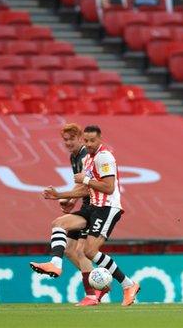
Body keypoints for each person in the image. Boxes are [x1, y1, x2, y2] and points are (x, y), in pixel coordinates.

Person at [31, 125, 141, 306]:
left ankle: (127, 285)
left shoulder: (104, 156)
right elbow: (84, 188)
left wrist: (86, 179)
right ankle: (55, 264)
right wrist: (59, 195)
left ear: (100, 140)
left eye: (92, 141)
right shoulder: (88, 159)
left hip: (107, 208)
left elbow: (109, 187)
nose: (89, 144)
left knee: (89, 251)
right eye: (87, 141)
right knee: (59, 223)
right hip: (91, 207)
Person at [54, 124, 108, 306]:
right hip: (86, 205)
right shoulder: (74, 157)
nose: (68, 143)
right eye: (65, 140)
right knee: (70, 250)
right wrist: (70, 202)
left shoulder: (86, 155)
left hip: (94, 208)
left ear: (80, 139)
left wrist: (64, 196)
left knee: (80, 251)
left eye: (71, 139)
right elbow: (81, 186)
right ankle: (99, 283)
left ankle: (92, 293)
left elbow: (87, 186)